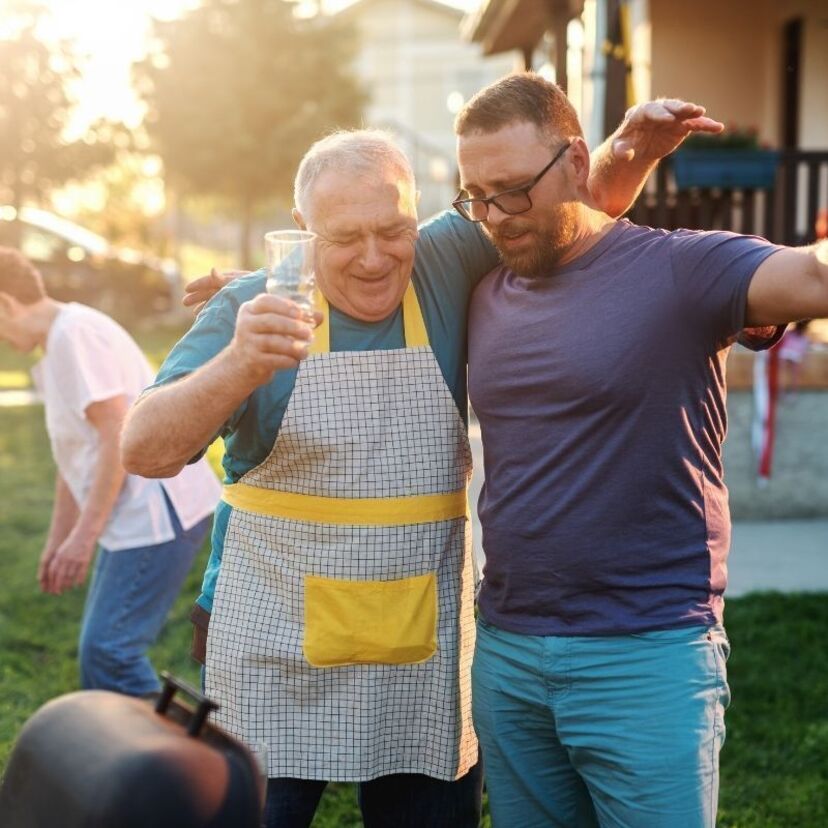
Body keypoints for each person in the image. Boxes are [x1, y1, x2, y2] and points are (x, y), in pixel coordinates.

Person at [120, 99, 714, 827]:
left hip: (420, 645)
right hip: (271, 643)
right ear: (302, 235)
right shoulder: (252, 307)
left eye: (392, 230)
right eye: (344, 238)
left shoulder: (443, 259)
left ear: (419, 219)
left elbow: (549, 204)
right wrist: (240, 364)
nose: (375, 259)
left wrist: (630, 148)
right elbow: (144, 447)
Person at [450, 73, 827, 827]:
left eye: (513, 190)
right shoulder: (483, 283)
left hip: (645, 654)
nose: (494, 215)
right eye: (475, 194)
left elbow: (815, 275)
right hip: (508, 651)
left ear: (574, 164)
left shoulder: (681, 270)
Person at [0, 248, 221, 696]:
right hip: (137, 519)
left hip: (159, 515)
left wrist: (83, 539)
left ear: (5, 304)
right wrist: (60, 539)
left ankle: (185, 758)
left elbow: (114, 437)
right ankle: (135, 756)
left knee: (109, 654)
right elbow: (75, 459)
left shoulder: (73, 337)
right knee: (101, 652)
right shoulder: (58, 344)